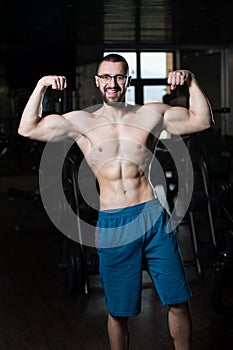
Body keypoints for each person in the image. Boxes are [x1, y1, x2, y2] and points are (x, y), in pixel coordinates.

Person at [18, 53, 213, 350]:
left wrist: (193, 81)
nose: (113, 83)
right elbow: (27, 128)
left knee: (178, 301)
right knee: (119, 313)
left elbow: (202, 120)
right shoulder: (80, 121)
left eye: (119, 77)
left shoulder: (150, 114)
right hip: (114, 222)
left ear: (128, 81)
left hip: (152, 215)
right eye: (106, 77)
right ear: (98, 81)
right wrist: (42, 85)